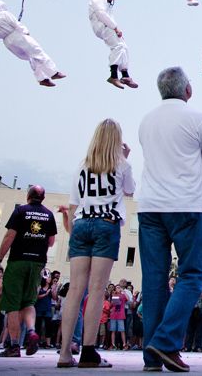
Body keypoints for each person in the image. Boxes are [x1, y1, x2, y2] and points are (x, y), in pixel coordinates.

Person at [137, 66, 202, 371]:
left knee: (154, 281)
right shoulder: (198, 118)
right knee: (191, 275)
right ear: (187, 90)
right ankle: (165, 341)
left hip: (149, 207)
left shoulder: (146, 121)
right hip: (185, 205)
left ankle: (152, 357)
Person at [55, 119, 135, 367]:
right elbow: (130, 191)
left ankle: (65, 353)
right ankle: (88, 351)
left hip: (81, 223)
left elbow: (73, 203)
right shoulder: (122, 165)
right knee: (97, 288)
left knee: (75, 289)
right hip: (106, 224)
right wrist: (124, 156)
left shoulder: (82, 167)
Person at [0, 185, 57, 358]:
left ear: (28, 196)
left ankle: (13, 346)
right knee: (28, 302)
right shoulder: (49, 215)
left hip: (18, 260)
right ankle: (32, 331)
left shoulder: (20, 211)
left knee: (12, 303)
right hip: (37, 263)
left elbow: (9, 236)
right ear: (43, 198)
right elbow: (51, 242)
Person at [0, 1, 65, 87]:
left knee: (31, 57)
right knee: (37, 51)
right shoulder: (4, 14)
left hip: (7, 42)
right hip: (17, 36)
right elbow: (16, 23)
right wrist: (25, 31)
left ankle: (42, 79)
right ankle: (53, 72)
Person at [88, 0, 137, 89]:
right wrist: (115, 28)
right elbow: (101, 14)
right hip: (102, 26)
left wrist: (116, 28)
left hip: (109, 26)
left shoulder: (107, 2)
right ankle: (113, 76)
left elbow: (109, 15)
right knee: (118, 46)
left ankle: (125, 75)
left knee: (124, 47)